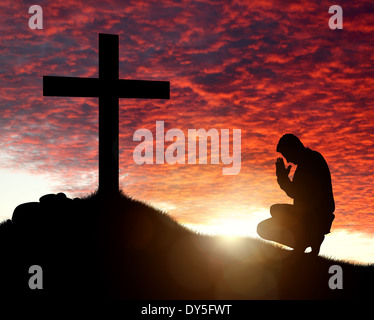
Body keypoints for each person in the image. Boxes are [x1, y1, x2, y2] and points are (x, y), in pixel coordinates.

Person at [257, 134, 335, 255]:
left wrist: (283, 178)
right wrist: (284, 179)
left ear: (294, 149)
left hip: (314, 217)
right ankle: (306, 241)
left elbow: (296, 193)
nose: (288, 161)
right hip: (314, 215)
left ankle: (304, 242)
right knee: (272, 216)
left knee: (271, 217)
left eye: (287, 155)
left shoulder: (310, 162)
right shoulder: (311, 160)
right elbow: (298, 193)